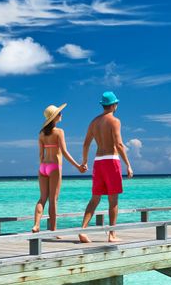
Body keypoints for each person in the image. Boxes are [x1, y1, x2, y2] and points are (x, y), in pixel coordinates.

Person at [78, 91, 134, 243]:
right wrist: (128, 164)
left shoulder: (93, 122)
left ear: (103, 105)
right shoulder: (115, 121)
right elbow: (119, 144)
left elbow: (86, 144)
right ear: (114, 105)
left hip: (98, 161)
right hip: (111, 160)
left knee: (95, 198)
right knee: (113, 199)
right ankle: (112, 234)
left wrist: (84, 162)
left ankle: (83, 230)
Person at [32, 103, 86, 233]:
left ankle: (36, 225)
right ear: (55, 117)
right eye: (59, 113)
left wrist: (41, 168)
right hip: (54, 166)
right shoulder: (59, 132)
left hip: (43, 166)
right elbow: (65, 152)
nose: (62, 115)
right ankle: (54, 231)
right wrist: (78, 166)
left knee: (42, 198)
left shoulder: (41, 134)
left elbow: (40, 154)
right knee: (53, 200)